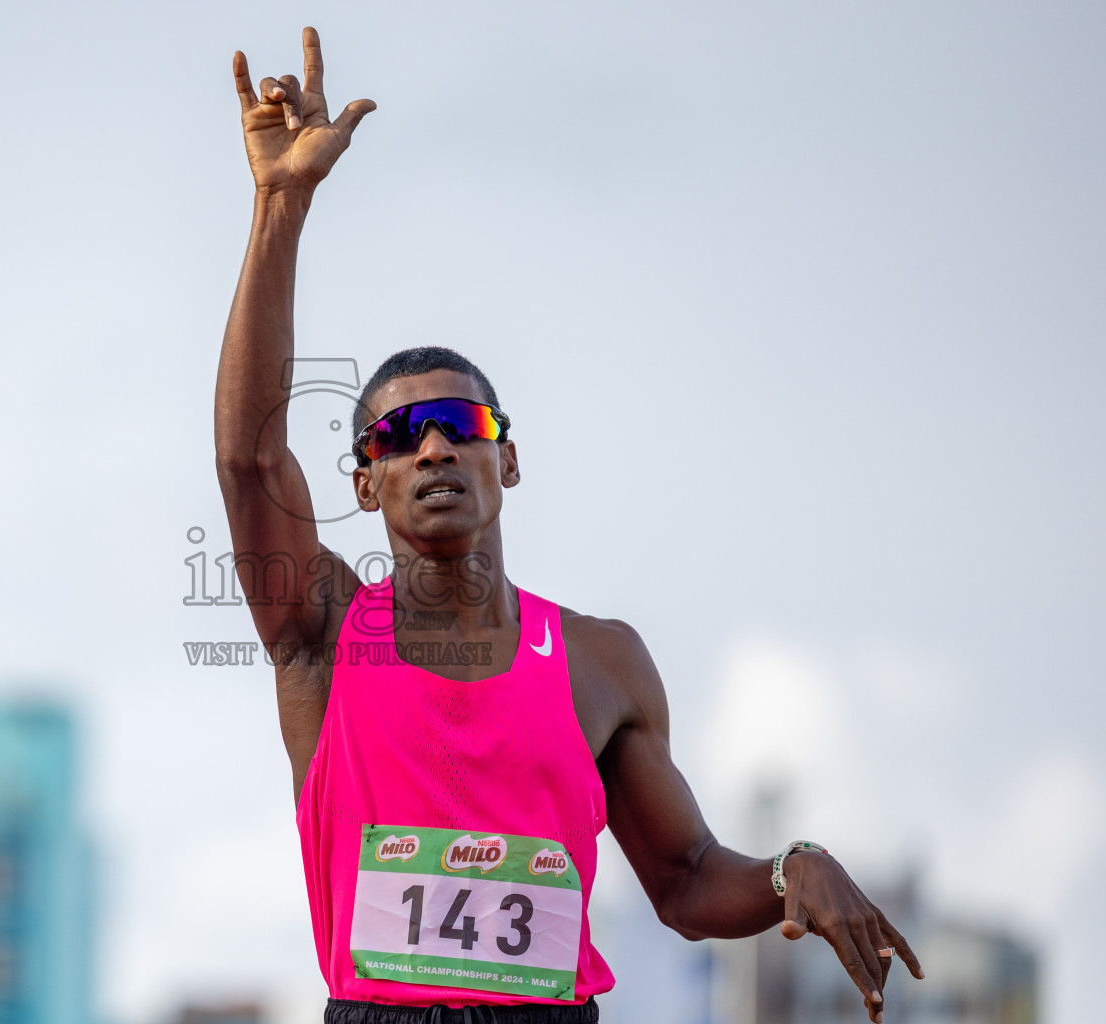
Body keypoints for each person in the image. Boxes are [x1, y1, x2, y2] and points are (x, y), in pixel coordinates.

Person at [214, 27, 923, 1024]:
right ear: (366, 482)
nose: (433, 450)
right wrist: (279, 205)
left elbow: (683, 880)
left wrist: (790, 870)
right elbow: (249, 461)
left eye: (461, 425)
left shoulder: (600, 662)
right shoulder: (323, 632)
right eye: (399, 434)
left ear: (507, 458)